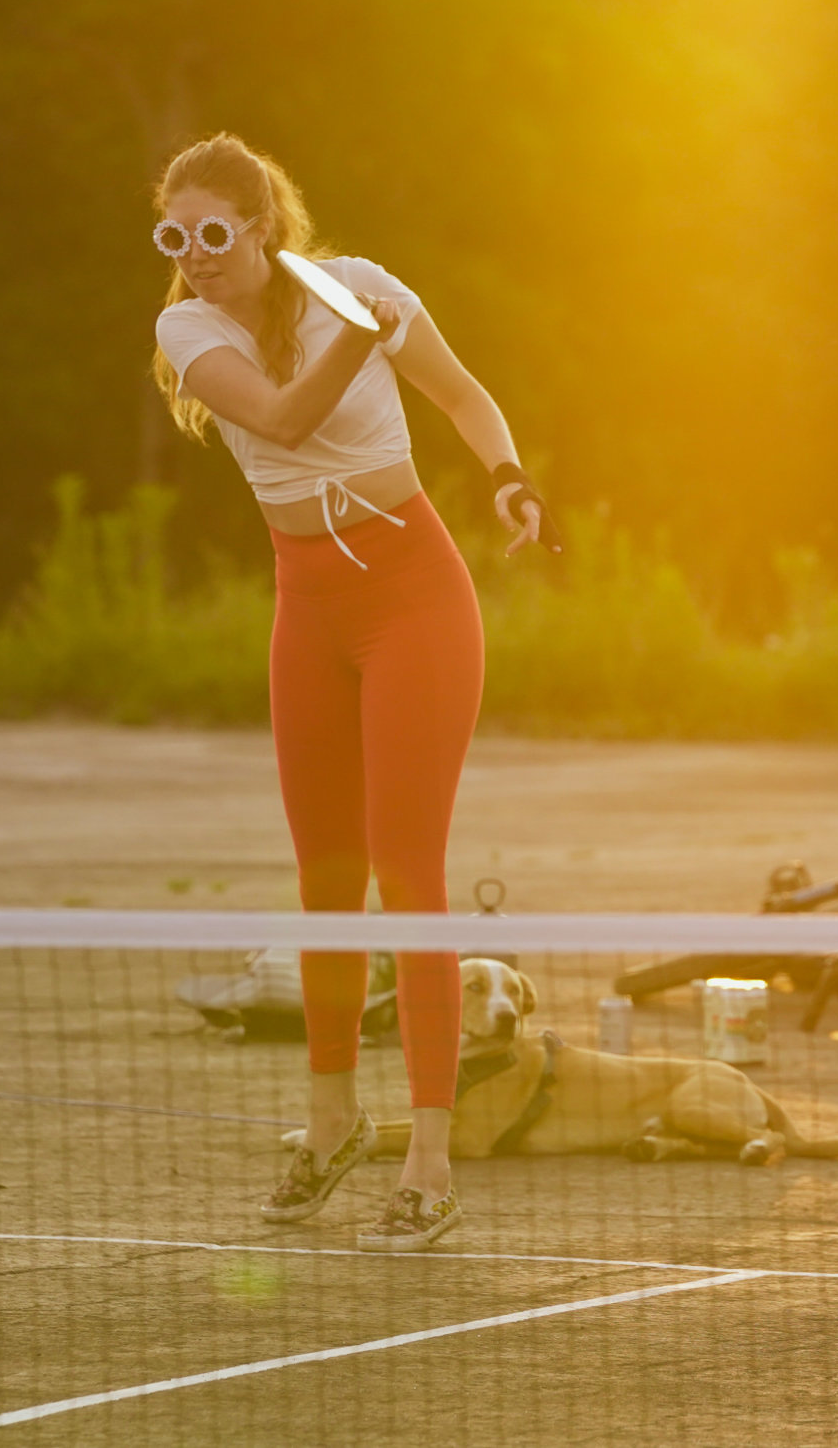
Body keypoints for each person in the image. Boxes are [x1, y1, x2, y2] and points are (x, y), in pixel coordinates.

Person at [146, 133, 550, 1254]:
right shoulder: (188, 327)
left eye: (213, 234)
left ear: (263, 228)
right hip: (306, 607)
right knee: (325, 877)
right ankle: (329, 1125)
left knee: (404, 872)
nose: (194, 256)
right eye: (172, 237)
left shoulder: (361, 293)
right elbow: (282, 421)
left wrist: (509, 478)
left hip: (414, 593)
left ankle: (427, 1156)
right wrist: (364, 336)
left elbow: (465, 397)